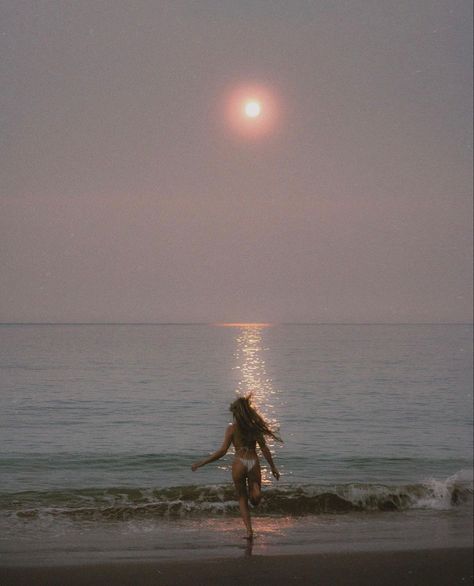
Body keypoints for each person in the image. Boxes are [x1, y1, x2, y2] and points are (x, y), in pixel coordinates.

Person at [191, 395, 281, 540]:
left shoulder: (232, 429)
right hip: (252, 461)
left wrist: (202, 463)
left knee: (242, 498)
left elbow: (222, 452)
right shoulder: (254, 428)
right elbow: (264, 449)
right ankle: (256, 490)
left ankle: (249, 531)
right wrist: (273, 467)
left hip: (239, 462)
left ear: (235, 413)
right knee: (255, 500)